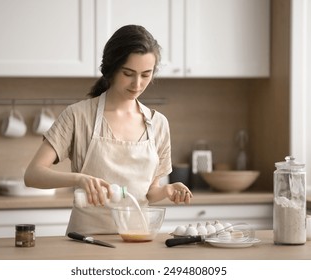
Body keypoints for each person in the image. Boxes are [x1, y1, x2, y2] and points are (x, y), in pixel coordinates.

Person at [24, 25, 192, 234]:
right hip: (86, 242)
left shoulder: (158, 124)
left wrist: (166, 190)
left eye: (146, 74)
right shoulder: (78, 116)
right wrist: (79, 179)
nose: (137, 84)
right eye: (128, 73)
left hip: (137, 240)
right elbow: (32, 175)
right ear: (111, 69)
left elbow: (148, 193)